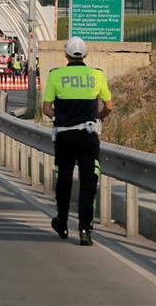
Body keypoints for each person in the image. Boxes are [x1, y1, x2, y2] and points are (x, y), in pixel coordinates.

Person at [42, 37, 114, 246]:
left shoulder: (56, 75)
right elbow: (109, 106)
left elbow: (46, 109)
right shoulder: (96, 75)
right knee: (88, 182)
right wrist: (97, 117)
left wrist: (61, 117)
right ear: (85, 54)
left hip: (64, 137)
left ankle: (62, 223)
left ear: (66, 54)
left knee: (63, 181)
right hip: (88, 137)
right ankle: (85, 230)